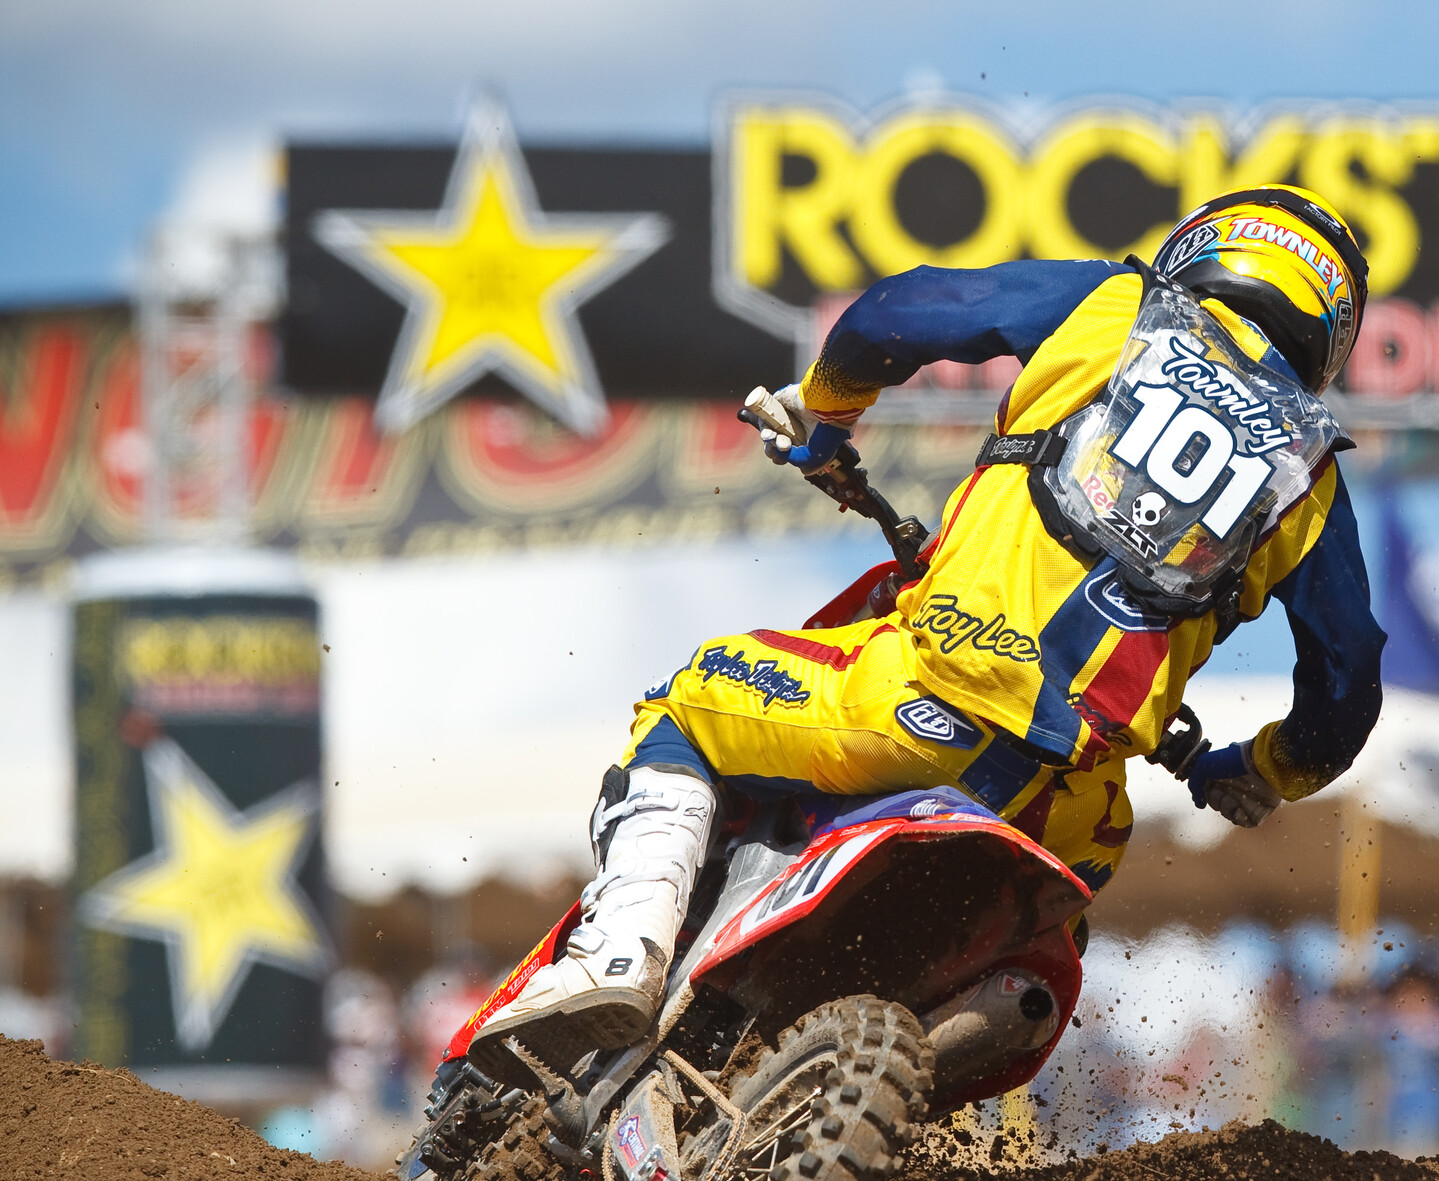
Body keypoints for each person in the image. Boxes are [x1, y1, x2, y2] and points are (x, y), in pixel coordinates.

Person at [470, 186, 1387, 1080]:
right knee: (1062, 916)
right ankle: (932, 1057)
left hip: (920, 699)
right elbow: (1347, 692)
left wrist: (827, 410)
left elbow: (898, 314)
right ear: (1330, 328)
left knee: (686, 706)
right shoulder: (1312, 478)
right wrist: (1257, 768)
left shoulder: (1118, 306)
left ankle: (620, 953)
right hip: (1071, 808)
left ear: (1208, 244)